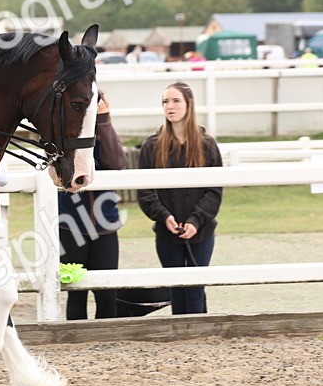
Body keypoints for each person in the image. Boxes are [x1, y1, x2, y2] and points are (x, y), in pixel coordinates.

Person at [136, 81, 222, 315]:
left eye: (176, 101)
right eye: (165, 101)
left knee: (195, 287)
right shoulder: (152, 145)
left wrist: (196, 220)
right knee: (176, 287)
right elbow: (144, 191)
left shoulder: (207, 145)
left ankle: (198, 334)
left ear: (188, 105)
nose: (170, 106)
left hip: (201, 231)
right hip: (167, 231)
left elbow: (214, 191)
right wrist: (164, 217)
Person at [58, 91, 125, 320]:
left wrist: (104, 121)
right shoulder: (64, 130)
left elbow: (116, 163)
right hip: (71, 225)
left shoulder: (105, 132)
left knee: (107, 292)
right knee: (75, 291)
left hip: (104, 223)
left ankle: (107, 339)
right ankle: (74, 340)